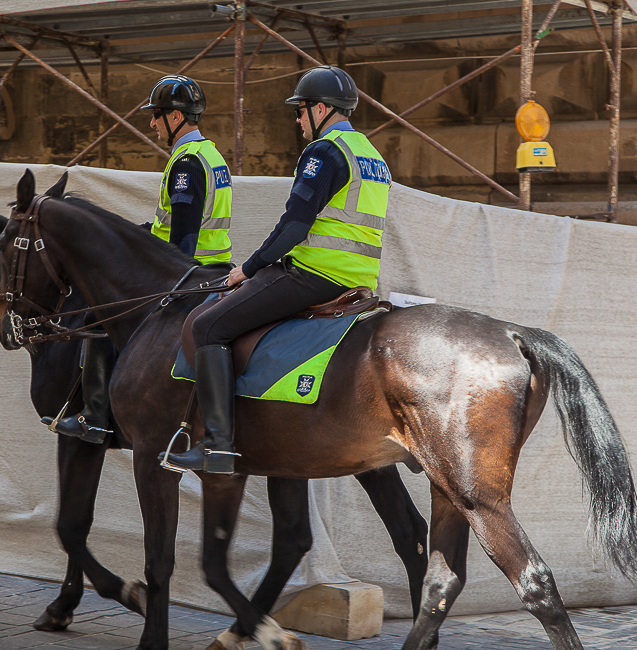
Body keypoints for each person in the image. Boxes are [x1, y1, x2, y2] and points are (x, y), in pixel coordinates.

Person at [162, 65, 392, 475]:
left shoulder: (325, 152)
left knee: (208, 327)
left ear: (322, 109)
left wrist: (248, 269)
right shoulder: (372, 156)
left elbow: (294, 226)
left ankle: (216, 444)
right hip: (359, 279)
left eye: (301, 111)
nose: (298, 119)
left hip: (313, 273)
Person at [54, 74, 233, 443]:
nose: (152, 123)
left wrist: (164, 284)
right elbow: (168, 226)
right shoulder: (210, 155)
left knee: (99, 315)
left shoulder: (186, 164)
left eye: (157, 115)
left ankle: (96, 416)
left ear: (176, 117)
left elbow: (184, 236)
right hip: (213, 268)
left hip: (188, 274)